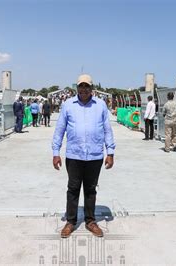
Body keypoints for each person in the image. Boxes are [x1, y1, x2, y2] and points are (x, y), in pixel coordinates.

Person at [52, 74, 115, 238]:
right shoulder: (68, 105)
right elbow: (59, 130)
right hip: (74, 155)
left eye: (87, 86)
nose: (84, 89)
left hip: (94, 156)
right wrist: (55, 152)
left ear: (91, 88)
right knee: (73, 189)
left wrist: (111, 152)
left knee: (90, 189)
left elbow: (107, 130)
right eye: (81, 86)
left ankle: (90, 221)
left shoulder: (101, 105)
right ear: (77, 88)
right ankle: (70, 221)